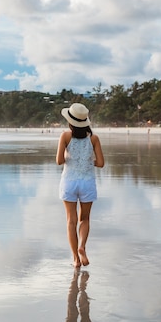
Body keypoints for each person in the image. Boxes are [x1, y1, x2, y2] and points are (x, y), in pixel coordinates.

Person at [56, 103, 104, 268]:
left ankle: (76, 259)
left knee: (71, 220)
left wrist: (70, 156)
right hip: (87, 182)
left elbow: (59, 161)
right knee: (84, 219)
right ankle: (82, 246)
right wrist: (87, 161)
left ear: (70, 122)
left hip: (69, 181)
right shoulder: (94, 138)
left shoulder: (65, 136)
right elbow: (101, 163)